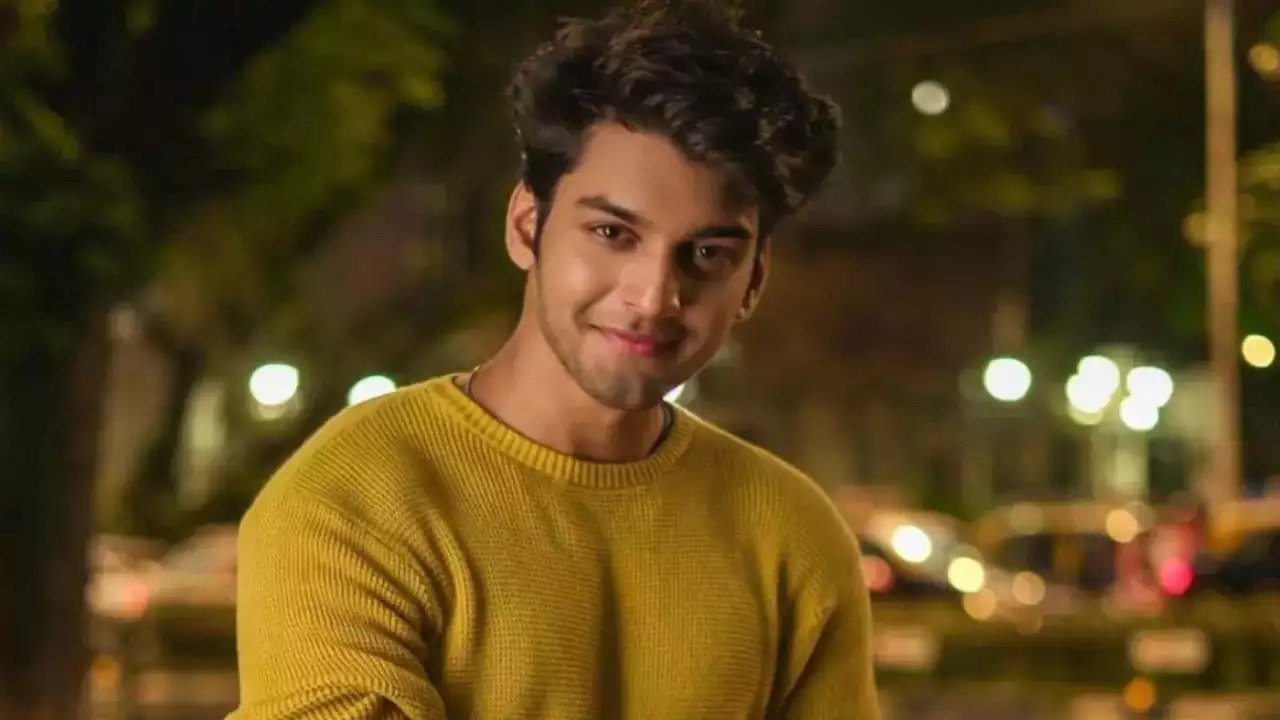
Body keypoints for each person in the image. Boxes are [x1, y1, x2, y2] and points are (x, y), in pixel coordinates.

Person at [229, 1, 879, 718]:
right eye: (612, 233)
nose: (653, 297)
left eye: (706, 253)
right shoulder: (356, 499)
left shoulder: (791, 536)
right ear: (526, 226)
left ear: (752, 281)